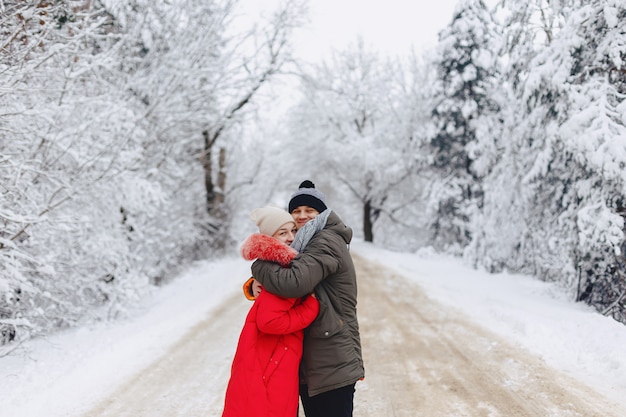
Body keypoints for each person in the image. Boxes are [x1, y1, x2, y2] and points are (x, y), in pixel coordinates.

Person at [251, 180, 365, 417]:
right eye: (296, 211)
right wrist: (253, 285)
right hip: (316, 359)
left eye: (309, 210)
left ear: (321, 213)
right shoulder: (304, 243)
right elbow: (286, 279)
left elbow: (294, 282)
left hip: (331, 359)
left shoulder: (326, 240)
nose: (302, 216)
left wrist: (259, 265)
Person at [222, 206, 319, 417]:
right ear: (269, 237)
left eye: (293, 231)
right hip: (271, 359)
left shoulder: (277, 263)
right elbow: (270, 321)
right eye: (282, 233)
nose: (291, 237)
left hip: (272, 355)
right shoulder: (280, 266)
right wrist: (309, 309)